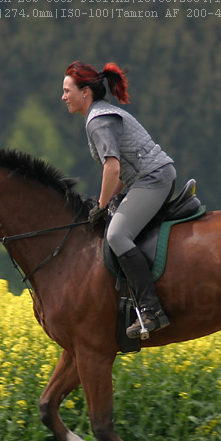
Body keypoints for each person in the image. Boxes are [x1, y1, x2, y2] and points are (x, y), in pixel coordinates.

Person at [62, 61, 175, 339]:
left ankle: (150, 310)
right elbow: (121, 173)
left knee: (117, 235)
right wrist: (106, 201)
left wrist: (100, 206)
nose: (63, 97)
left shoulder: (98, 120)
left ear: (85, 92)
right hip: (148, 178)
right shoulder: (101, 115)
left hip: (153, 179)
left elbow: (112, 169)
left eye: (67, 90)